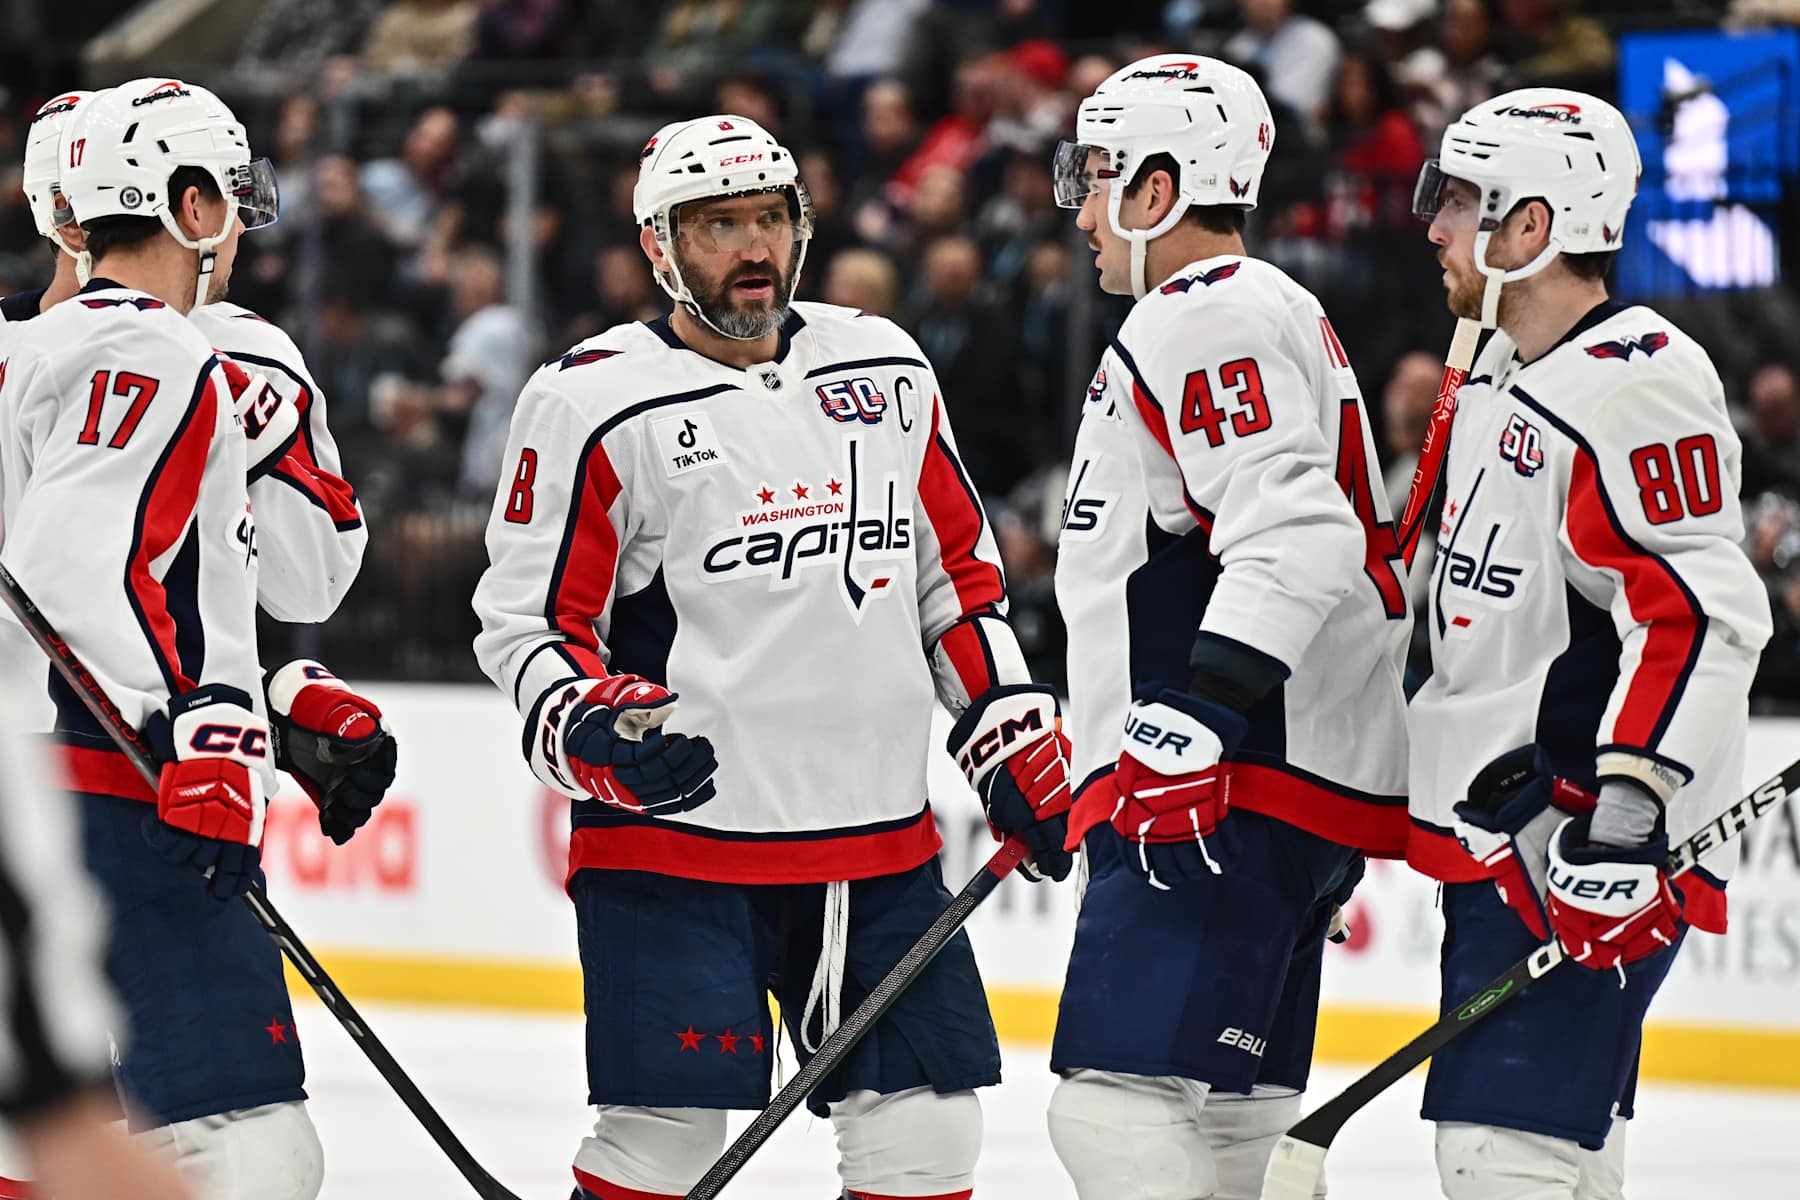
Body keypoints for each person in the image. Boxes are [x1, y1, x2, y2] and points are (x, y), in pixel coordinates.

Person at [472, 113, 1072, 1200]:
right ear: (659, 246)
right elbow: (529, 628)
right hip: (679, 851)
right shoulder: (592, 400)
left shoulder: (884, 363)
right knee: (666, 1143)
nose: (752, 248)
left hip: (878, 846)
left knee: (930, 1140)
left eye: (768, 218)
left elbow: (956, 585)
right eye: (716, 227)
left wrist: (1007, 733)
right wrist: (592, 732)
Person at [0, 78, 396, 1199]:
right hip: (114, 779)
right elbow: (86, 586)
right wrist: (211, 729)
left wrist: (272, 694)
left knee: (46, 1130)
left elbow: (263, 578)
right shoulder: (166, 349)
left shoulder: (49, 351)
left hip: (45, 772)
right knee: (244, 1142)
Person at [1044, 55, 1411, 1199]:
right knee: (1233, 1122)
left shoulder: (1204, 312)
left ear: (1159, 190)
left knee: (1109, 1110)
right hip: (1263, 780)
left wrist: (1194, 718)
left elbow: (1297, 531)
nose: (1083, 210)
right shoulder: (1251, 310)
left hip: (1225, 784)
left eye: (1098, 177)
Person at [1408, 88, 1772, 1198]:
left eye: (1461, 200)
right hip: (1508, 836)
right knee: (1556, 1157)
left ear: (1533, 226)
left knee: (1501, 1155)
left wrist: (1624, 824)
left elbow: (1699, 612)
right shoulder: (1498, 370)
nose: (1434, 225)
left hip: (1572, 848)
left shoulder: (1636, 380)